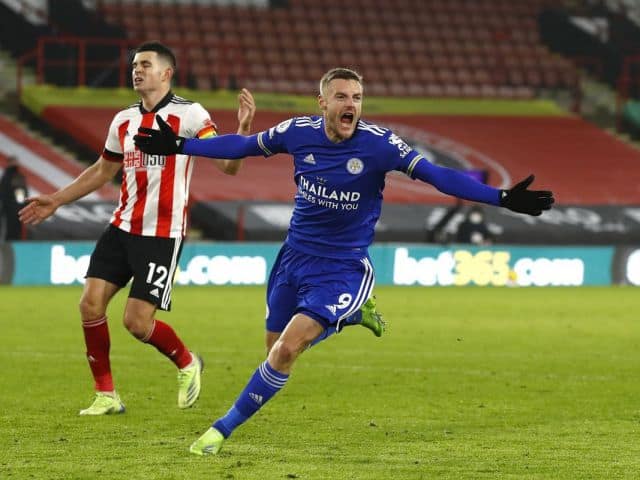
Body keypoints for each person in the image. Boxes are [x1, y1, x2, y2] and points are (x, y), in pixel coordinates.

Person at [134, 67, 554, 455]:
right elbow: (243, 145)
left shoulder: (380, 145)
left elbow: (436, 175)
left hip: (342, 268)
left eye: (357, 97)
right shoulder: (297, 133)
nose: (350, 104)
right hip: (293, 259)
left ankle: (218, 432)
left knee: (284, 351)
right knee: (273, 350)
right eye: (341, 97)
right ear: (323, 103)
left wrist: (500, 197)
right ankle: (351, 317)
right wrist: (179, 145)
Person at [19, 41, 256, 415]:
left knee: (137, 322)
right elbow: (102, 170)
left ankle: (187, 362)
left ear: (166, 73)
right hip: (122, 226)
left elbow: (228, 165)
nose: (136, 70)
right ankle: (106, 395)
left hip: (162, 234)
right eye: (134, 65)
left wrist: (241, 131)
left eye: (145, 64)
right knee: (89, 304)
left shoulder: (191, 115)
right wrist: (57, 199)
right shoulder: (123, 120)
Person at [0, 155, 28, 241]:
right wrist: (20, 207)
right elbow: (20, 193)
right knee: (13, 231)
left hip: (8, 208)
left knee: (9, 231)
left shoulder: (5, 176)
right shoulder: (15, 176)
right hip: (13, 209)